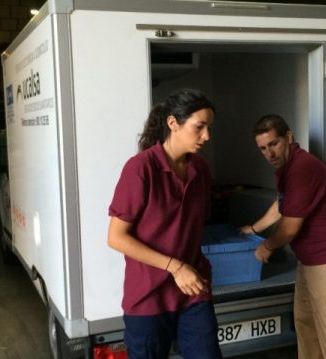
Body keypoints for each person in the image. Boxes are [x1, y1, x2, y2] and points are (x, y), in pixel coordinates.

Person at [107, 89, 223, 359]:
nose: (207, 136)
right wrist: (175, 266)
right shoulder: (140, 169)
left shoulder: (201, 170)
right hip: (148, 296)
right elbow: (116, 237)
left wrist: (188, 269)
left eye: (209, 128)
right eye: (199, 127)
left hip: (192, 292)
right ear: (173, 123)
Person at [239, 114, 326, 359]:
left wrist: (267, 246)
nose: (269, 154)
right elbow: (282, 204)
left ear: (288, 137)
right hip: (310, 264)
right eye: (263, 149)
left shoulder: (302, 168)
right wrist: (253, 228)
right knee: (308, 331)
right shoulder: (287, 169)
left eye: (273, 144)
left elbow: (289, 227)